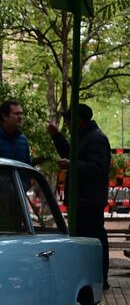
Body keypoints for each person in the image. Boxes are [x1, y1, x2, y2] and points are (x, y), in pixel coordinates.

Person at [46, 103, 111, 289]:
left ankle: (100, 279)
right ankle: (90, 279)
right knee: (84, 241)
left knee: (93, 241)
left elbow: (98, 169)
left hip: (89, 201)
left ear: (79, 121)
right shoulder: (84, 137)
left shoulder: (96, 139)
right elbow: (70, 154)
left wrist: (72, 165)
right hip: (82, 200)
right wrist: (57, 136)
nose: (67, 124)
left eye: (68, 121)